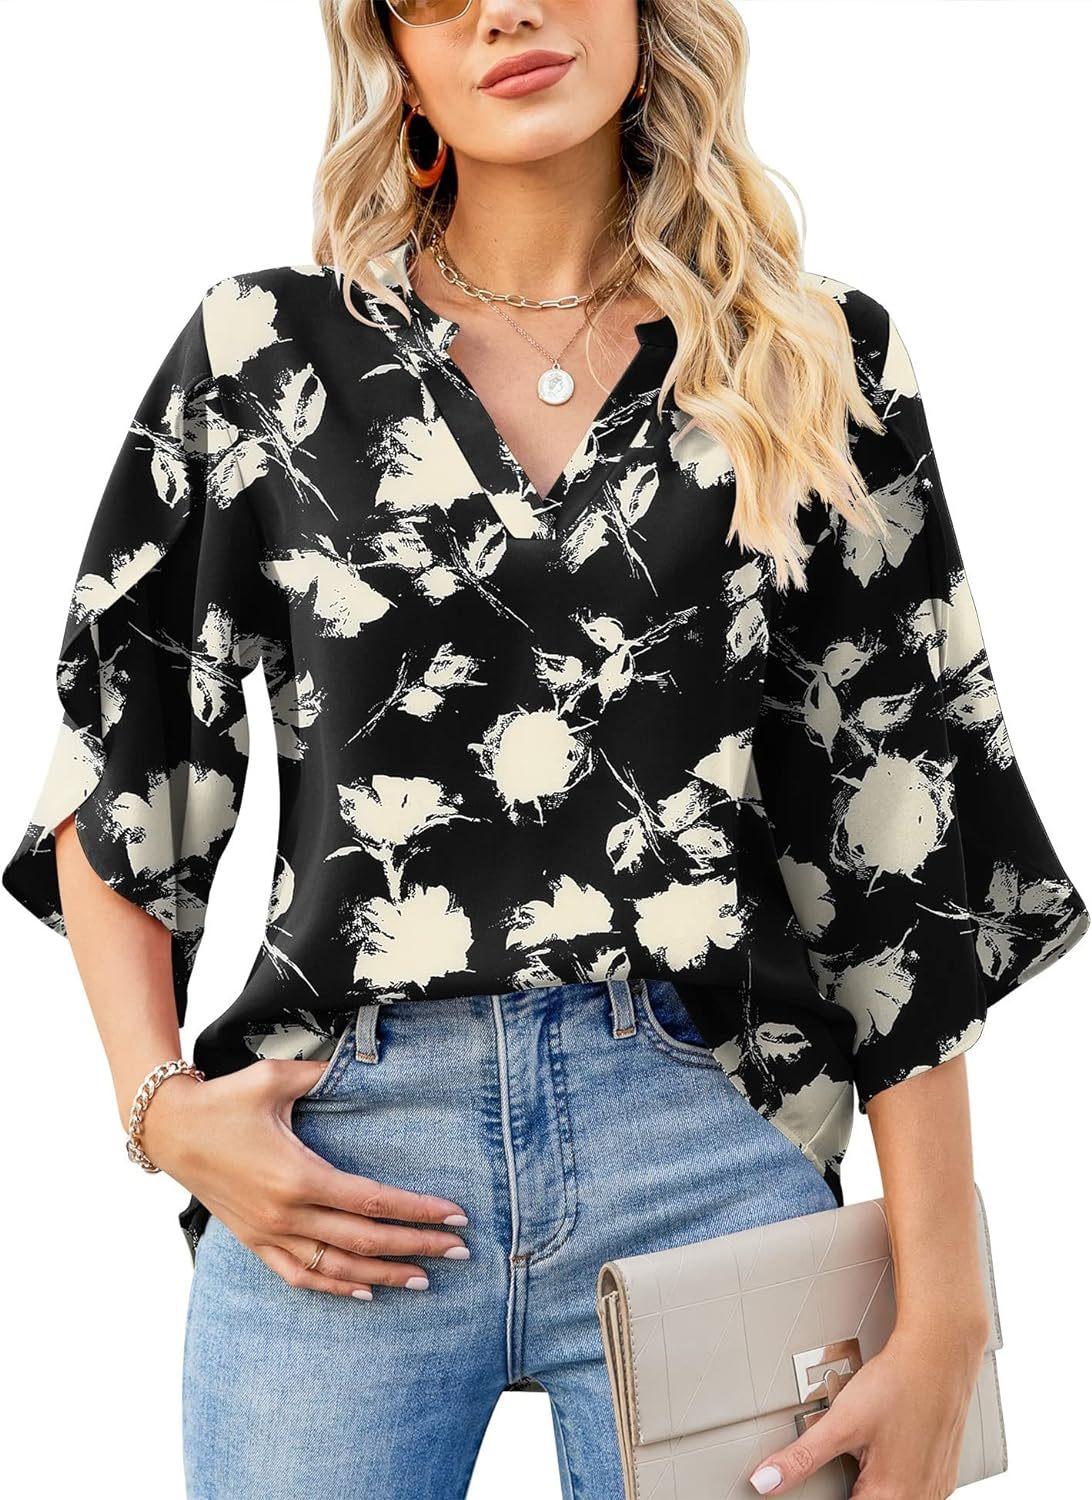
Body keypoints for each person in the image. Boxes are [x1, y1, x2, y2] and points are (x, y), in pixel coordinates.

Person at [3, 3, 1087, 1496]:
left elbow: (903, 843)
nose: (502, 10)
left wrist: (946, 1301)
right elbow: (122, 755)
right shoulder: (265, 354)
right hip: (337, 1159)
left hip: (712, 1147)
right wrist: (160, 1112)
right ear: (395, 52)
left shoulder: (814, 357)